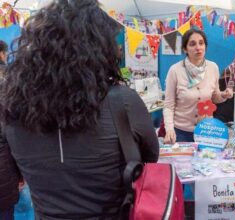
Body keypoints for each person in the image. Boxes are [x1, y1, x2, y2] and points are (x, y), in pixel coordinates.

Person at [0, 0, 159, 219]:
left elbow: (12, 172)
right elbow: (151, 158)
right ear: (100, 48)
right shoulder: (123, 101)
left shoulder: (14, 107)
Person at [163, 29, 234, 144]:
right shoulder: (175, 70)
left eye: (201, 43)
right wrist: (169, 129)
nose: (198, 47)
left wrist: (224, 95)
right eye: (192, 44)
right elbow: (168, 105)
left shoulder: (213, 67)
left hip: (207, 130)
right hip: (181, 132)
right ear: (185, 49)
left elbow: (215, 97)